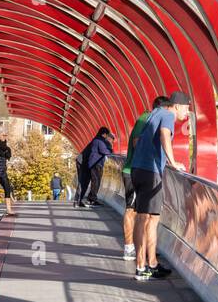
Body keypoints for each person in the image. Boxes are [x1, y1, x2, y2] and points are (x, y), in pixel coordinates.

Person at [130, 91, 191, 282]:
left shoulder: (154, 114)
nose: (187, 114)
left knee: (146, 217)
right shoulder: (167, 115)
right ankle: (141, 267)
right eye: (187, 109)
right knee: (147, 219)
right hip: (151, 171)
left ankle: (150, 264)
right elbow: (165, 134)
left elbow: (137, 140)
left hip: (138, 168)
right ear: (177, 106)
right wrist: (172, 161)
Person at [121, 96, 169, 261]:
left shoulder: (149, 119)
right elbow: (136, 142)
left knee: (145, 214)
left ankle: (148, 254)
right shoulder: (145, 119)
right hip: (135, 170)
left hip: (142, 170)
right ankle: (129, 248)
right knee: (132, 210)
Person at [76, 126, 114, 207]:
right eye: (107, 135)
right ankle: (91, 199)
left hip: (90, 163)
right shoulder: (99, 140)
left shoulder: (96, 139)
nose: (107, 137)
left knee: (89, 181)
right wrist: (110, 150)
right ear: (104, 134)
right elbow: (104, 151)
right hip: (95, 164)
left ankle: (85, 199)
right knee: (94, 181)